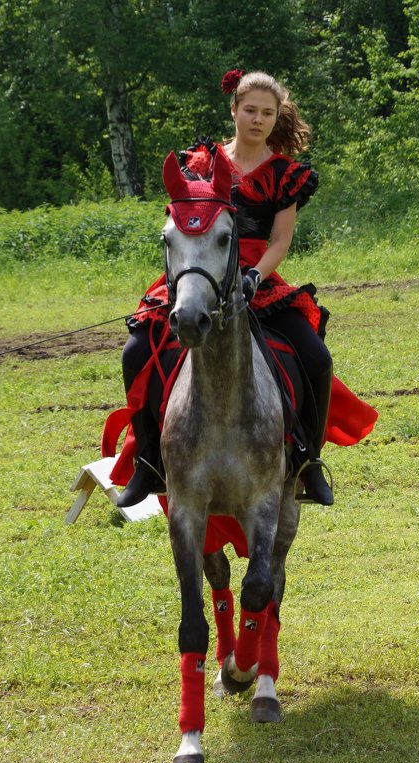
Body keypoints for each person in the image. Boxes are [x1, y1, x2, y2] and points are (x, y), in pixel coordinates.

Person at [115, 69, 335, 508]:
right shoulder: (199, 163)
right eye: (250, 110)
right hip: (201, 276)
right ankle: (149, 462)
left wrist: (254, 276)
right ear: (233, 109)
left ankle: (308, 462)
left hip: (259, 281)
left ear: (277, 117)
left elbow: (281, 242)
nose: (258, 119)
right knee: (135, 352)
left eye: (267, 113)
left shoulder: (284, 174)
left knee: (316, 357)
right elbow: (182, 224)